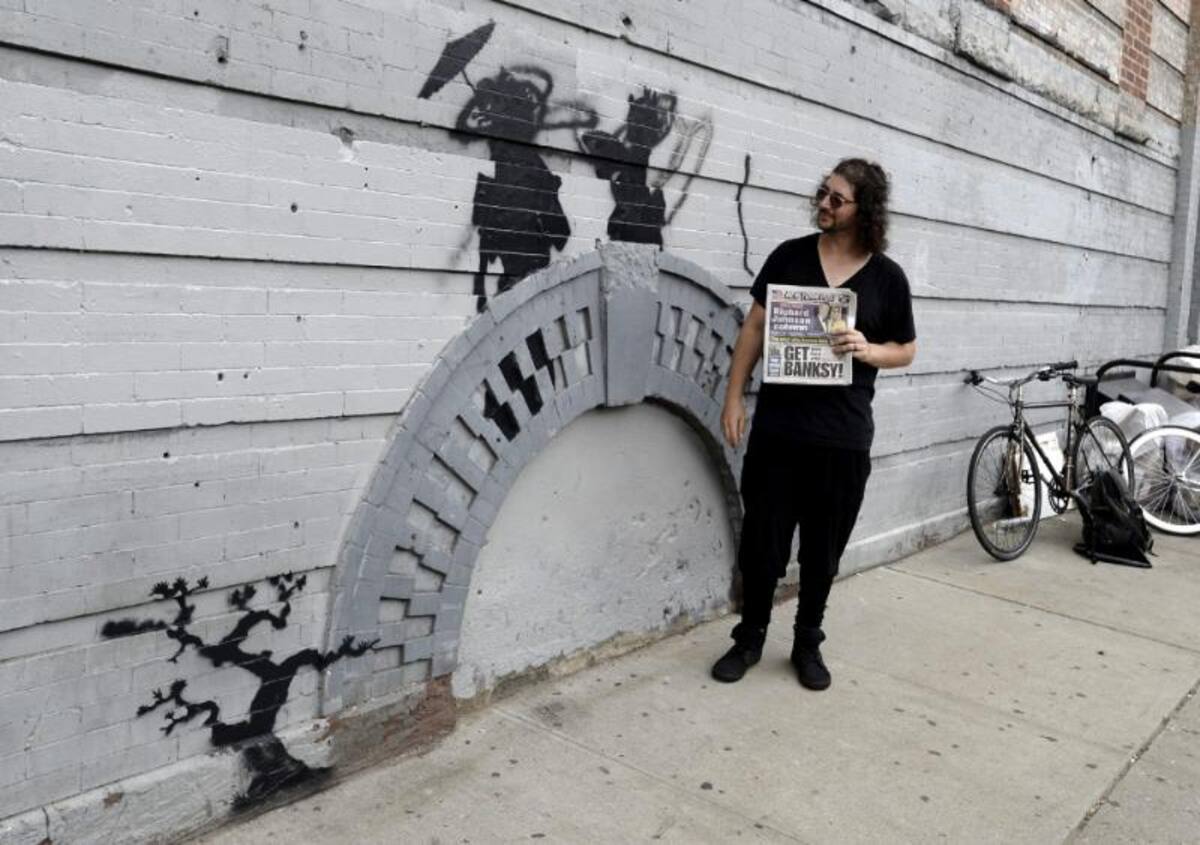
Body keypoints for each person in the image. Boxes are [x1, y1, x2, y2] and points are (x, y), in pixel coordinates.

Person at [711, 158, 917, 690]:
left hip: (842, 437)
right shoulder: (790, 257)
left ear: (863, 210)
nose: (823, 205)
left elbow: (908, 350)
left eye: (836, 199)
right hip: (779, 431)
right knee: (762, 544)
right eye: (823, 194)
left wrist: (869, 350)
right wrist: (734, 397)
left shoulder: (887, 279)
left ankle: (807, 641)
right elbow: (754, 328)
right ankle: (750, 636)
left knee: (823, 550)